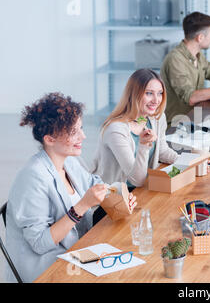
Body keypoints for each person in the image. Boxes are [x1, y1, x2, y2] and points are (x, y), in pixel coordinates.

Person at [5, 93, 137, 282]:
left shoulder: (69, 162)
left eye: (80, 128)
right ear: (50, 139)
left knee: (128, 253)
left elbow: (95, 185)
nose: (82, 136)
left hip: (75, 250)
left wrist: (120, 196)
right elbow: (40, 244)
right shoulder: (32, 178)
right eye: (73, 132)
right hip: (45, 267)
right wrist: (82, 207)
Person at [91, 68, 179, 192]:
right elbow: (136, 180)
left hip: (141, 190)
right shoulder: (116, 129)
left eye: (159, 93)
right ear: (134, 94)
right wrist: (143, 145)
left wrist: (186, 162)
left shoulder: (155, 119)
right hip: (112, 198)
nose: (156, 100)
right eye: (149, 93)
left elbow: (162, 151)